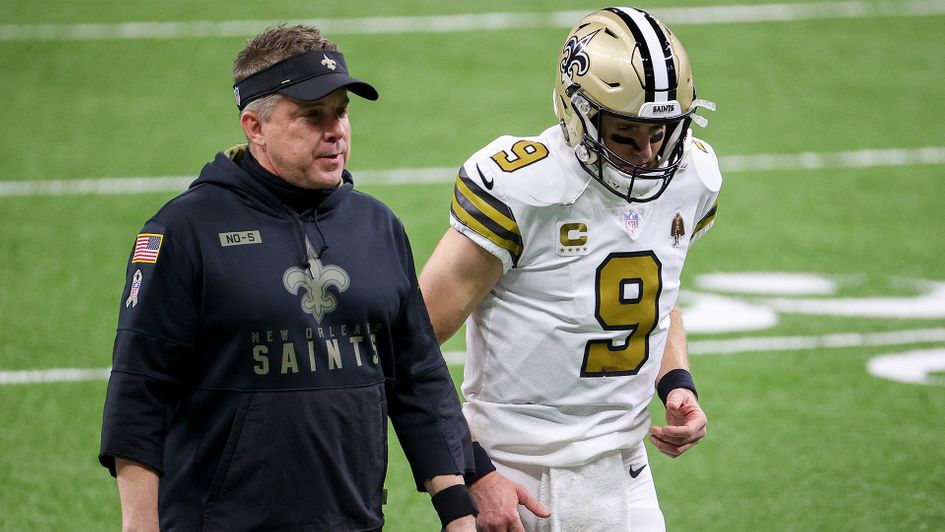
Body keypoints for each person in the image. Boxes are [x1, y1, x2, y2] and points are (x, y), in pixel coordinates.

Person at [99, 25, 478, 531]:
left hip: (354, 522)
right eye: (312, 116)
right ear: (254, 126)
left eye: (341, 112)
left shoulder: (376, 226)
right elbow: (140, 391)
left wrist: (457, 511)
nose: (335, 131)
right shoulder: (186, 231)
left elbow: (418, 376)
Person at [418, 7, 721, 531]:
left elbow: (659, 298)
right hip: (513, 471)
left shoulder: (691, 176)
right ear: (577, 112)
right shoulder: (523, 187)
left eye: (661, 133)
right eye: (625, 134)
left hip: (626, 470)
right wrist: (472, 471)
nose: (648, 155)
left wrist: (677, 383)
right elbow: (412, 342)